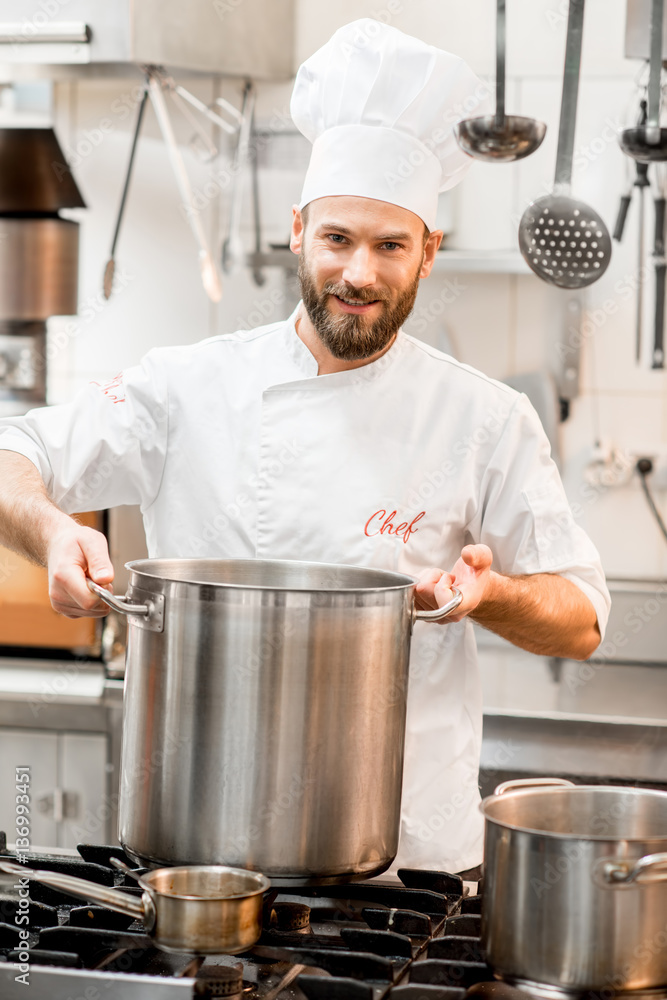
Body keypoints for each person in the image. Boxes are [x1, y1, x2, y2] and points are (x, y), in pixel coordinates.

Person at [0, 20, 609, 873]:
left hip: (409, 866)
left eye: (389, 245)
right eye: (337, 239)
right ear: (297, 231)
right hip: (202, 855)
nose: (358, 272)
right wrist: (51, 531)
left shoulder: (484, 418)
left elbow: (580, 621)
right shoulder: (187, 386)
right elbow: (14, 449)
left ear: (427, 253)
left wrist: (493, 593)